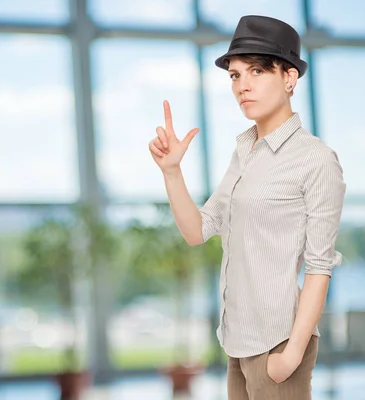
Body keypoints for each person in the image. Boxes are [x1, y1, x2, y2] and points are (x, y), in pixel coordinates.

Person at [148, 15, 346, 399]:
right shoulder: (245, 152)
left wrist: (289, 357)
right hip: (237, 343)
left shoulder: (316, 160)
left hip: (278, 345)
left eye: (256, 70)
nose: (243, 85)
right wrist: (172, 172)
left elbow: (320, 266)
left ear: (289, 78)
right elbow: (197, 231)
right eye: (235, 75)